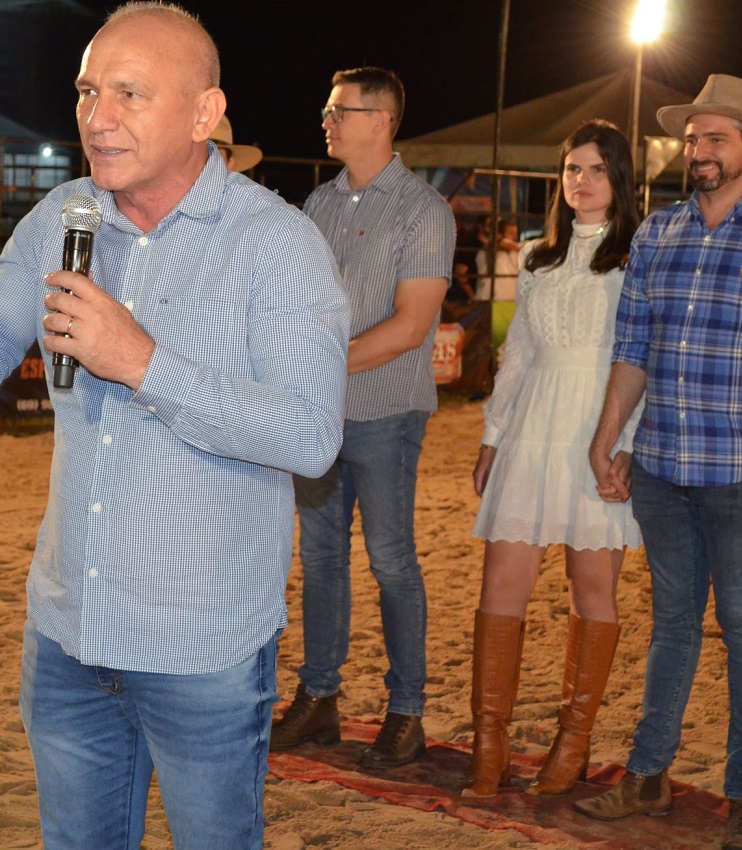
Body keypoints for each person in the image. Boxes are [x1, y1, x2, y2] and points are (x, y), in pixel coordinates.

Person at [0, 4, 349, 848]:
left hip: (199, 646)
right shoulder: (64, 217)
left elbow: (311, 435)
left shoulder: (276, 243)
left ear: (205, 114)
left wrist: (143, 363)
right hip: (67, 633)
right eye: (88, 90)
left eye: (129, 93)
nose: (98, 117)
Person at [574, 74, 742, 850]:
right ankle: (650, 774)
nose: (698, 151)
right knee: (671, 626)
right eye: (692, 139)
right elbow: (635, 349)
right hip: (660, 464)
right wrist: (608, 436)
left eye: (714, 138)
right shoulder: (658, 235)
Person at [270, 66, 455, 769]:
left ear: (381, 119)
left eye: (338, 109)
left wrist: (311, 367)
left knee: (391, 561)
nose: (326, 120)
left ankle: (406, 712)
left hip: (384, 414)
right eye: (327, 109)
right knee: (319, 559)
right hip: (323, 416)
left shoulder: (423, 211)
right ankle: (320, 699)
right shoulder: (318, 203)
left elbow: (411, 327)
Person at [465, 120, 642, 798]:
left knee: (591, 590)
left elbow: (640, 361)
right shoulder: (537, 257)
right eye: (572, 169)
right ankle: (490, 746)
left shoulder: (636, 258)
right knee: (499, 588)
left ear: (618, 179)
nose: (581, 181)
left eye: (596, 169)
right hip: (533, 426)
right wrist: (492, 435)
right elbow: (520, 358)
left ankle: (572, 745)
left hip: (601, 429)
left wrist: (623, 446)